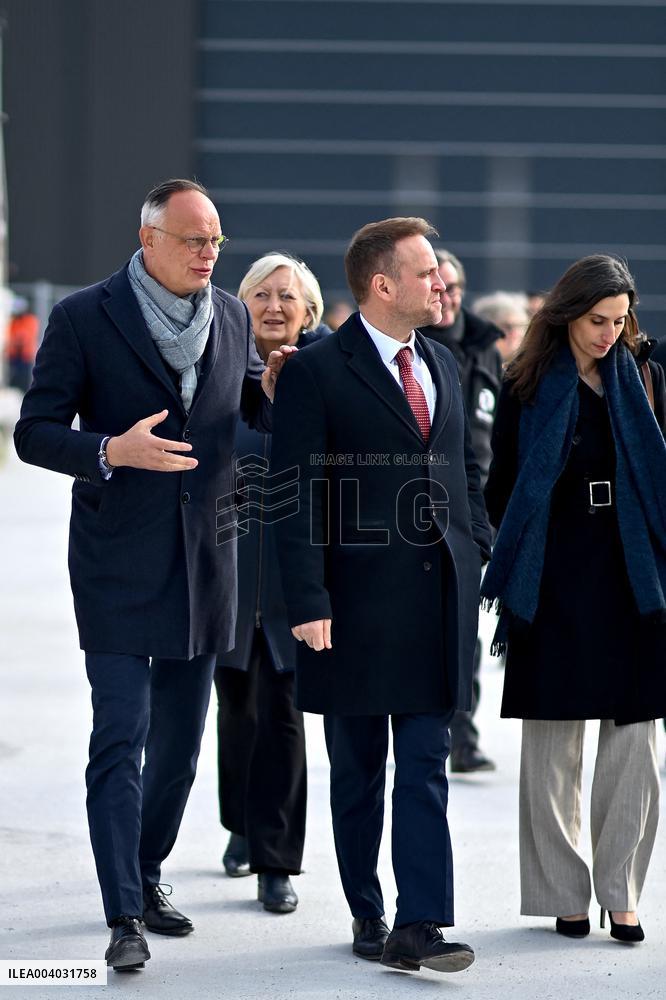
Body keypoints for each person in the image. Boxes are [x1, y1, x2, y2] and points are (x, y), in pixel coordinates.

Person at [13, 178, 285, 972]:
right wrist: (107, 452)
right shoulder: (82, 317)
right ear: (150, 241)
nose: (209, 254)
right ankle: (123, 912)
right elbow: (33, 431)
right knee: (119, 736)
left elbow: (233, 418)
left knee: (179, 747)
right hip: (117, 563)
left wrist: (270, 393)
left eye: (216, 242)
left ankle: (148, 869)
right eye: (195, 240)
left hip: (208, 558)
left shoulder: (231, 315)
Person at [271, 217, 492, 975]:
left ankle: (421, 922)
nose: (442, 284)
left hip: (439, 606)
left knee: (427, 762)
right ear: (382, 284)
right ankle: (368, 909)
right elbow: (294, 494)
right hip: (353, 607)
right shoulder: (316, 372)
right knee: (360, 770)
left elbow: (462, 471)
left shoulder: (441, 362)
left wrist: (479, 552)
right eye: (427, 272)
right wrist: (306, 599)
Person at [482, 254, 666, 943]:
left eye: (620, 322)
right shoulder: (526, 383)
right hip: (554, 573)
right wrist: (518, 545)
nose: (609, 334)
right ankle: (563, 892)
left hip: (633, 573)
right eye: (597, 321)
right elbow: (502, 482)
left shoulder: (646, 376)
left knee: (636, 742)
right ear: (567, 314)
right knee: (552, 743)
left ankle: (622, 894)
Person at [215, 252, 329, 913]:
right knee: (237, 712)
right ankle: (240, 824)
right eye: (262, 294)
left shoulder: (322, 379)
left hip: (296, 584)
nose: (276, 306)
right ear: (240, 305)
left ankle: (276, 860)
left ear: (310, 313)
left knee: (283, 716)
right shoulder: (216, 373)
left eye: (289, 296)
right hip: (226, 576)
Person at [419, 248, 502, 773]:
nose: (444, 297)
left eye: (452, 287)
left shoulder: (484, 346)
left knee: (463, 629)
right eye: (436, 286)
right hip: (423, 506)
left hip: (476, 505)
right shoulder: (417, 347)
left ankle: (462, 734)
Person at [472, 291, 530, 367]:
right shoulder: (472, 364)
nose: (515, 333)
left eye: (519, 326)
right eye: (508, 326)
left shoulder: (528, 368)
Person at [5, 296, 39, 393]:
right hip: (14, 355)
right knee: (14, 379)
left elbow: (25, 337)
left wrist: (17, 341)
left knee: (24, 380)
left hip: (25, 356)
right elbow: (11, 336)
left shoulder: (30, 320)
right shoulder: (14, 322)